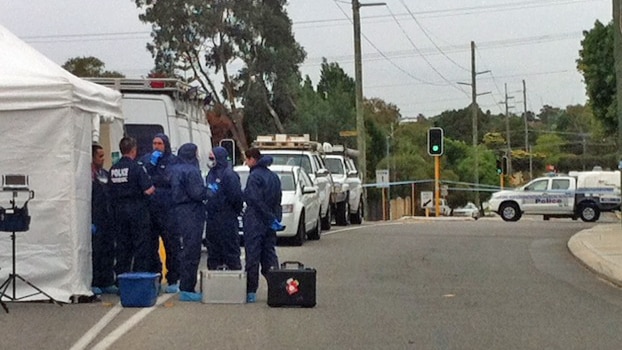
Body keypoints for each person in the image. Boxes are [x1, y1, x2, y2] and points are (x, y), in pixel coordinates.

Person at [109, 137, 158, 278]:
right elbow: (148, 189)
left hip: (118, 211)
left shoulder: (113, 169)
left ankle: (121, 279)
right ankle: (138, 277)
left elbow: (110, 190)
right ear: (133, 150)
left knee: (122, 246)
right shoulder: (137, 167)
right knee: (141, 245)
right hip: (137, 210)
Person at [170, 143, 214, 302]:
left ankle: (183, 284)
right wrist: (209, 191)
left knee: (183, 248)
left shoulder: (175, 169)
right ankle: (187, 287)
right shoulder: (191, 171)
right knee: (192, 249)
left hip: (178, 211)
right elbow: (197, 193)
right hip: (192, 212)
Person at [138, 133, 181, 293]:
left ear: (166, 145)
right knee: (150, 245)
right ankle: (154, 276)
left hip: (168, 209)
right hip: (150, 208)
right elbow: (142, 177)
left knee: (172, 245)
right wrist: (151, 164)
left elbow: (169, 179)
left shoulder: (173, 160)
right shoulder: (147, 159)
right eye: (154, 143)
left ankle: (173, 278)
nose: (156, 146)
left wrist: (156, 180)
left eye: (159, 144)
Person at [242, 148, 283, 303]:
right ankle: (278, 287)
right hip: (269, 224)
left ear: (253, 159)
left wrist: (266, 216)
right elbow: (278, 200)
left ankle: (251, 291)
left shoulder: (254, 177)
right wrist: (275, 219)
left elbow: (254, 200)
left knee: (252, 257)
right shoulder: (273, 177)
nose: (246, 163)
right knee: (269, 256)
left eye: (247, 159)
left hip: (255, 221)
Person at [205, 146, 244, 270]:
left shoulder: (229, 175)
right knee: (213, 249)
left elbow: (236, 197)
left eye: (212, 157)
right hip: (212, 217)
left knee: (230, 247)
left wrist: (231, 210)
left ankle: (234, 275)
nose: (211, 160)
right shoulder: (211, 173)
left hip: (227, 217)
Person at [90, 144, 117, 295]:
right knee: (96, 252)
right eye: (100, 156)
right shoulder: (88, 176)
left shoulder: (105, 174)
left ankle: (107, 281)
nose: (103, 159)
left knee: (108, 250)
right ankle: (95, 281)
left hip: (107, 219)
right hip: (95, 218)